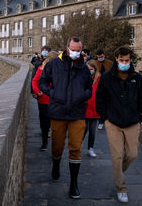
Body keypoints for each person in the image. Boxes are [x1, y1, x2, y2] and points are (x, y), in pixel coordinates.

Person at [39, 36, 92, 199]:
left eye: (79, 50)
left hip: (77, 113)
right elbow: (42, 83)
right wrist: (53, 94)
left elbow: (89, 88)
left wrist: (83, 96)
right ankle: (56, 163)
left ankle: (74, 184)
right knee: (57, 145)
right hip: (58, 111)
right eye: (73, 50)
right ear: (67, 48)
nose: (76, 53)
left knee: (75, 148)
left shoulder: (83, 68)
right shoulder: (54, 64)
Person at [95, 45, 142, 203]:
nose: (124, 62)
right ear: (116, 59)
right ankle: (121, 187)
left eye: (127, 60)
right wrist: (105, 118)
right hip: (113, 123)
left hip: (132, 121)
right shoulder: (106, 78)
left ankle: (120, 170)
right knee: (116, 156)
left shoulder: (136, 77)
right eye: (122, 60)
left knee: (132, 154)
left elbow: (141, 98)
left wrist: (140, 115)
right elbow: (100, 99)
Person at [31, 51, 58, 151]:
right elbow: (34, 81)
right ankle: (45, 142)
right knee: (44, 123)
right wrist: (37, 92)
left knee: (55, 124)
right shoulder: (41, 69)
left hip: (55, 100)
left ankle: (54, 145)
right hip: (43, 100)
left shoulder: (60, 70)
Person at [83, 59, 101, 158]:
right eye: (88, 69)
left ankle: (90, 148)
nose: (90, 70)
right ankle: (77, 147)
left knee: (93, 131)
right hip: (85, 108)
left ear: (95, 69)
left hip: (94, 109)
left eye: (91, 69)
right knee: (83, 130)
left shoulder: (99, 79)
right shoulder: (82, 78)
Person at [95, 49, 113, 130]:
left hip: (108, 85)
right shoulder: (95, 63)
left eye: (101, 57)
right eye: (99, 57)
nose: (100, 58)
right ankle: (101, 121)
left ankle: (108, 119)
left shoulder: (109, 63)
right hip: (99, 85)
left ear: (104, 55)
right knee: (101, 103)